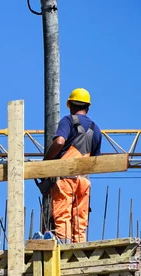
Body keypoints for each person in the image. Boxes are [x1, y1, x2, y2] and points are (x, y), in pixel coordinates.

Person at [43, 88, 102, 243]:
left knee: (62, 215)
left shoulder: (68, 121)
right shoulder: (95, 129)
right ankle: (79, 250)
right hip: (84, 181)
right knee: (80, 220)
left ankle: (63, 249)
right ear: (87, 108)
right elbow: (94, 161)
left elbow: (59, 142)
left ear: (70, 105)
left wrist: (46, 162)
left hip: (66, 178)